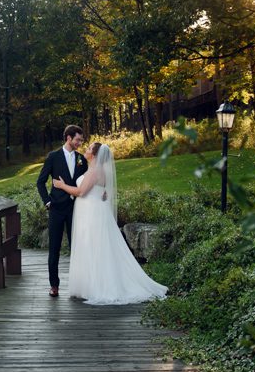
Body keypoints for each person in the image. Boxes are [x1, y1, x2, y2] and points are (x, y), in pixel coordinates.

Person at [53, 142, 167, 305]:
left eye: (89, 148)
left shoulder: (94, 171)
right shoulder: (97, 170)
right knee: (95, 247)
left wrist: (61, 185)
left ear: (94, 154)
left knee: (94, 247)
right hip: (92, 211)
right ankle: (90, 285)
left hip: (91, 214)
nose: (86, 149)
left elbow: (80, 192)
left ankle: (99, 286)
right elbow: (101, 192)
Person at [36, 125, 88, 297]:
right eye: (78, 139)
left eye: (81, 140)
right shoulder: (53, 157)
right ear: (68, 138)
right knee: (54, 248)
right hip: (56, 209)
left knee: (77, 247)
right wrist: (48, 202)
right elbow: (40, 182)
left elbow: (87, 181)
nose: (80, 142)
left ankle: (80, 285)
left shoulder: (82, 159)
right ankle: (54, 285)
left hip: (76, 209)